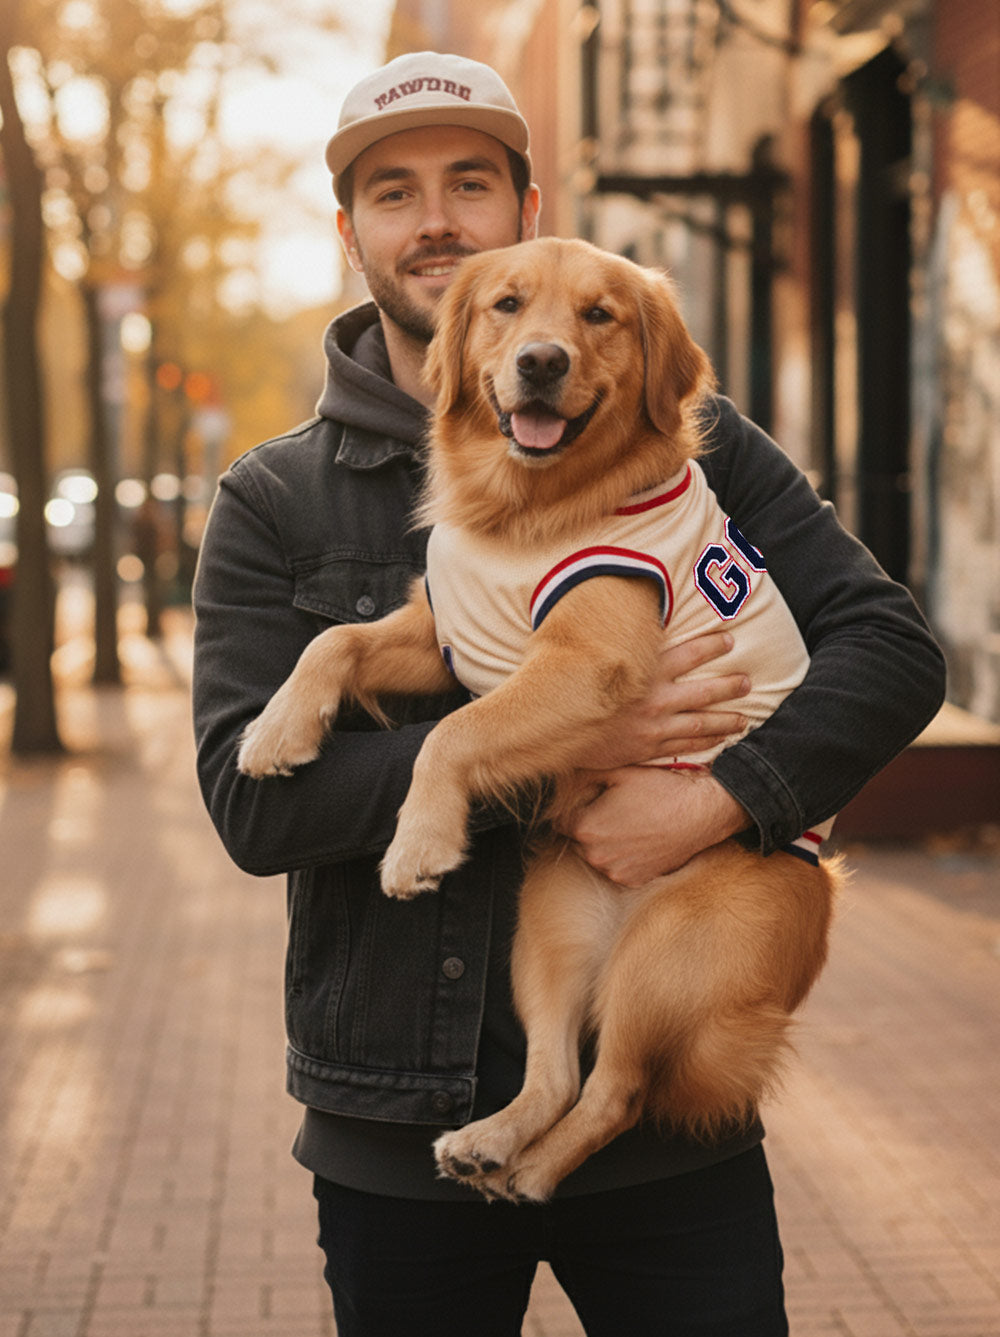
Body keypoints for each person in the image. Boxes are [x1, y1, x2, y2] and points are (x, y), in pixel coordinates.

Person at [192, 50, 946, 1337]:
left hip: (665, 1136)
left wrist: (715, 799)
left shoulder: (687, 447)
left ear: (525, 213)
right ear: (348, 233)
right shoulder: (275, 499)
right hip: (394, 1121)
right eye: (393, 192)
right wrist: (548, 757)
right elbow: (253, 811)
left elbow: (891, 650)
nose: (433, 218)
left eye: (469, 182)